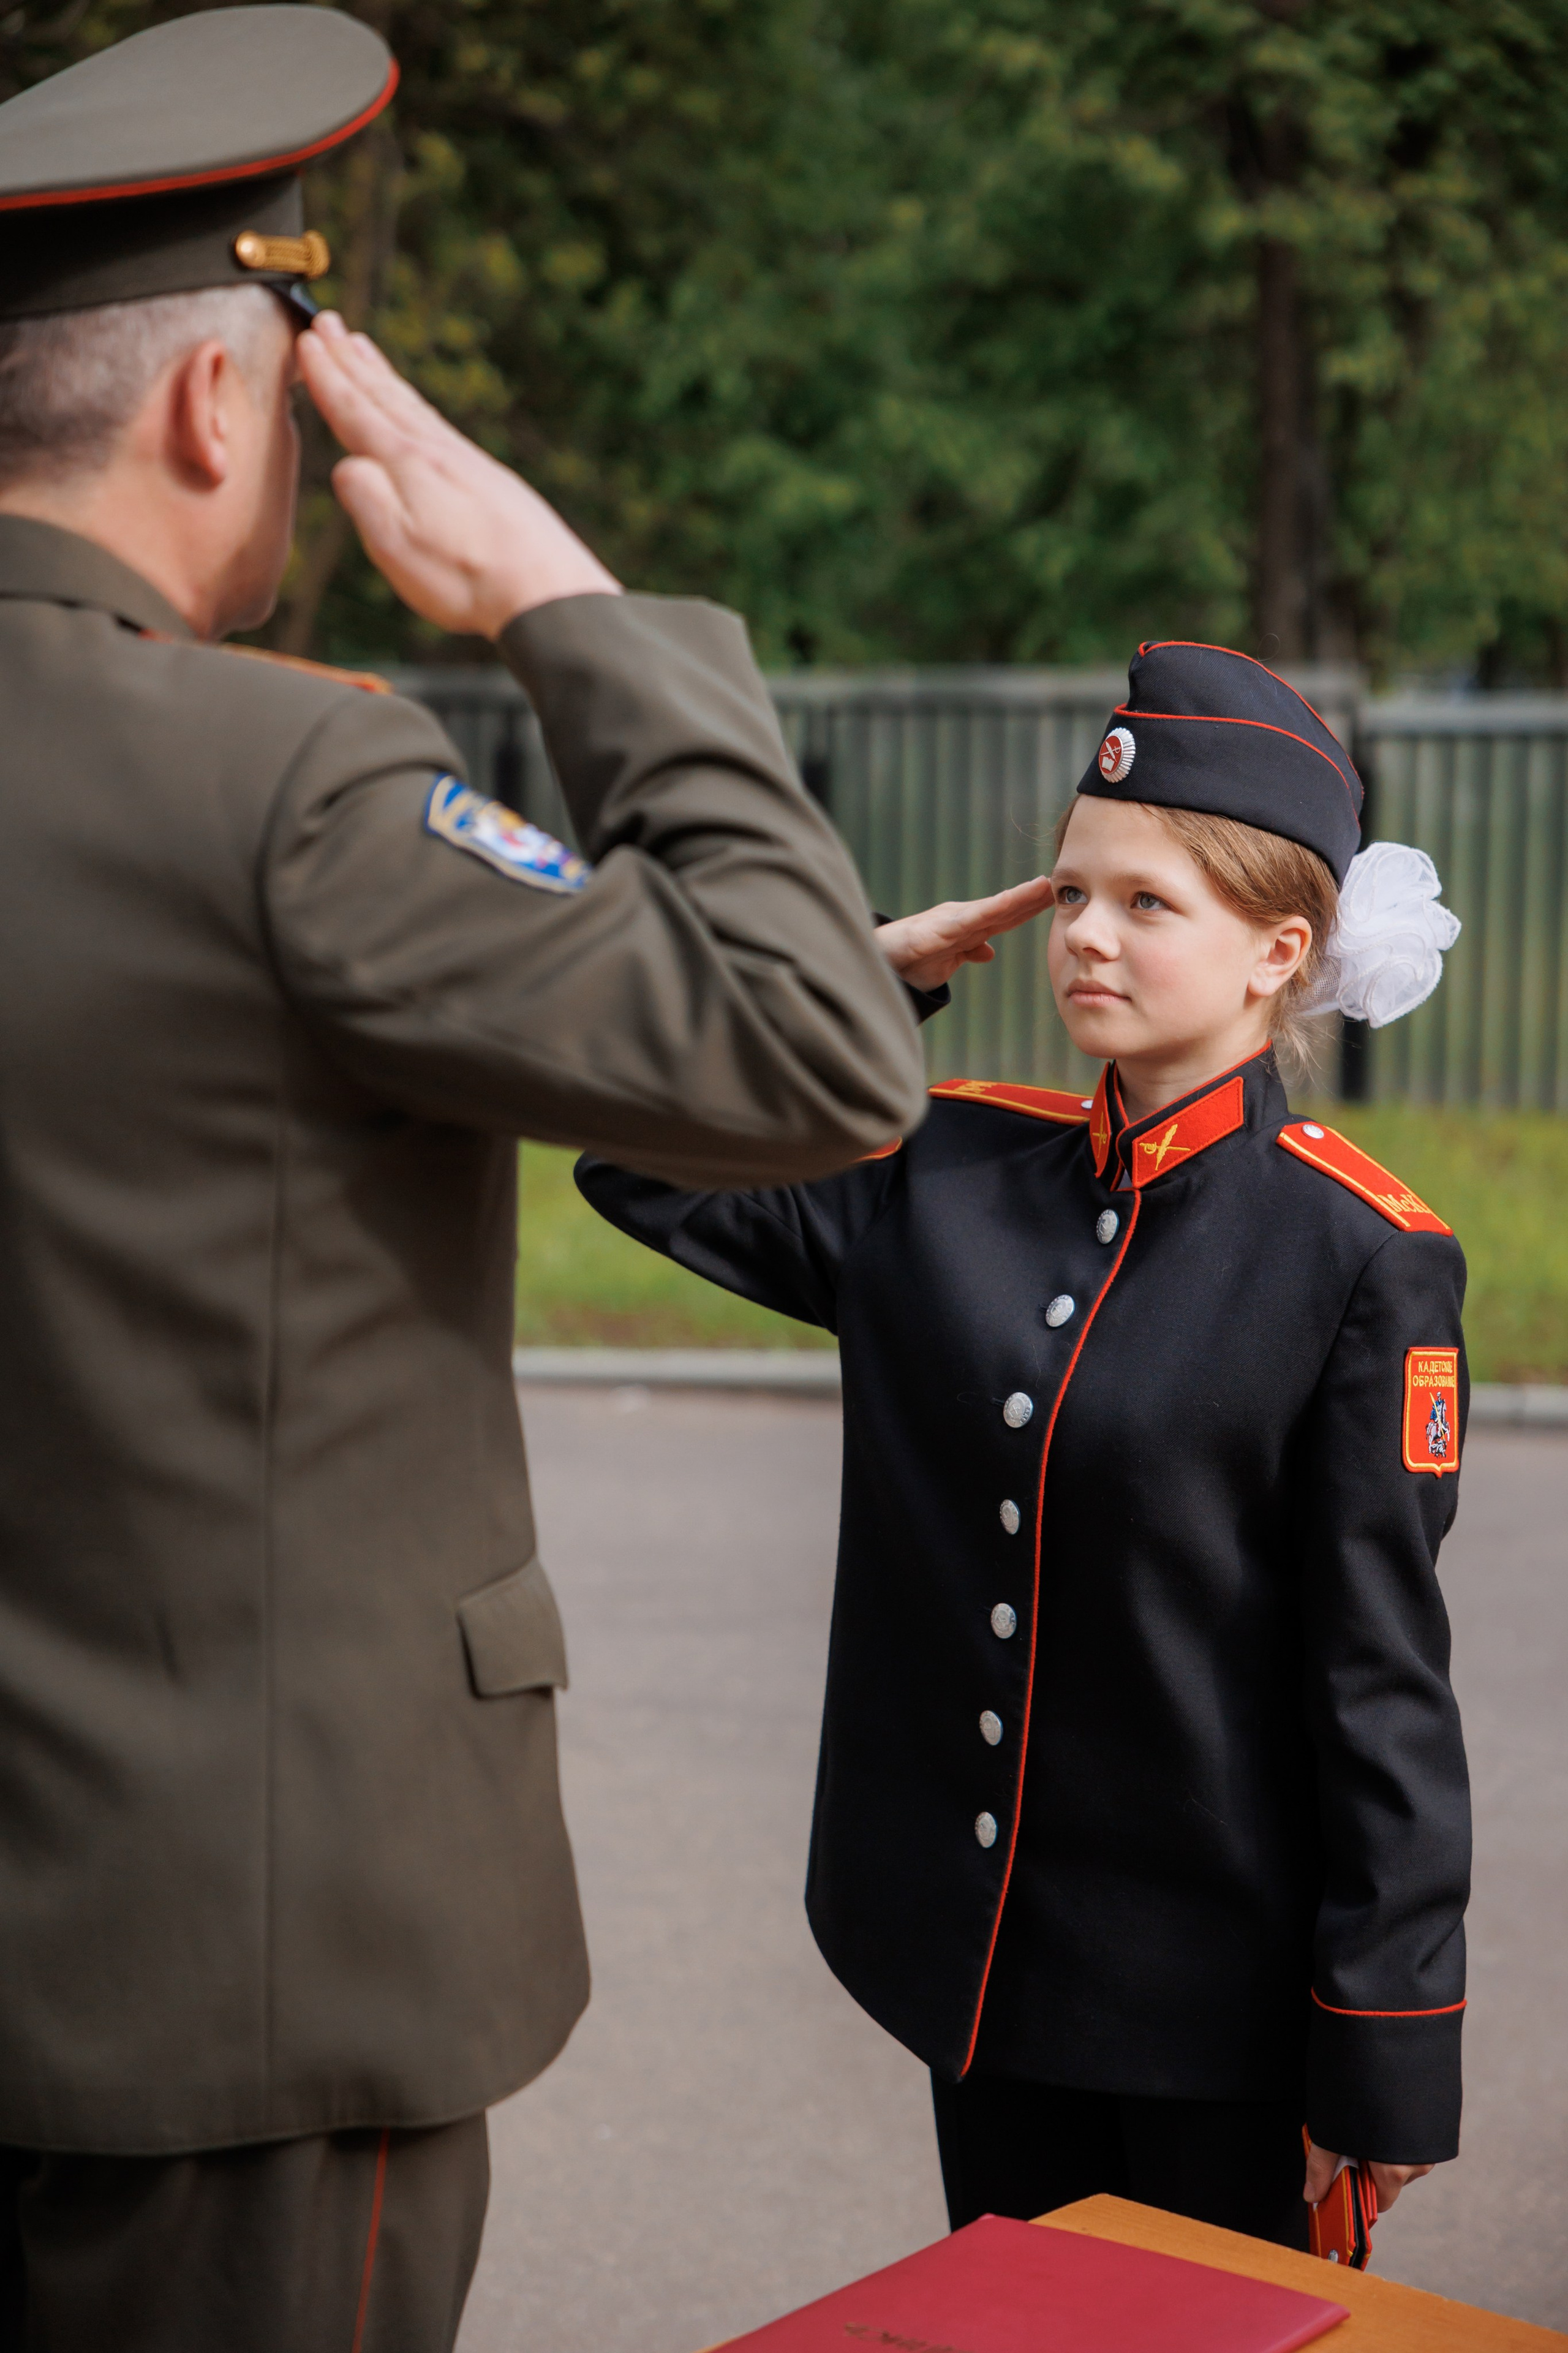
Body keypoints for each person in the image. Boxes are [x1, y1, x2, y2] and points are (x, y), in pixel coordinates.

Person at [0, 11, 929, 2347]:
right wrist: (562, 602)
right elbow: (817, 1042)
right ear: (228, 405)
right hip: (251, 1988)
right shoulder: (292, 785)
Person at [578, 641, 1471, 2253]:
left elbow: (1377, 1678)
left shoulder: (1352, 1254)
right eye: (1072, 894)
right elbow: (640, 1156)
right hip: (980, 1975)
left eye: (1147, 903)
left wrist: (1384, 2048)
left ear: (1281, 949)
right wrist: (861, 981)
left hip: (1220, 2019)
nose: (1086, 937)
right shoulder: (950, 1169)